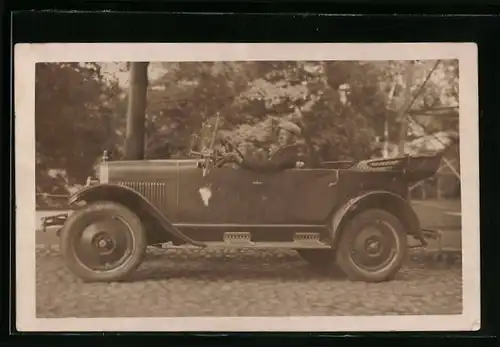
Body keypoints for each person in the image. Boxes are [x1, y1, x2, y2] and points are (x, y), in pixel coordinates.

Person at [231, 120, 306, 172]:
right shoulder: (283, 151)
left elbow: (267, 167)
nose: (280, 138)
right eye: (279, 135)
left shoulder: (291, 153)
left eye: (284, 135)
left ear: (293, 139)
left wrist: (241, 161)